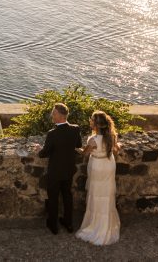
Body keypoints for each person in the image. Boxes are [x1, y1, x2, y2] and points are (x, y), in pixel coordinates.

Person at [76, 110, 121, 245]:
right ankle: (107, 224)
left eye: (91, 120)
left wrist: (75, 148)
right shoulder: (111, 136)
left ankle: (95, 225)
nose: (90, 122)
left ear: (95, 124)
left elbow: (84, 153)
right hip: (108, 164)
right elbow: (117, 149)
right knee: (107, 193)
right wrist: (120, 145)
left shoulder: (93, 139)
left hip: (97, 165)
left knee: (96, 193)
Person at [36, 102, 82, 234]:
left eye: (54, 113)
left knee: (53, 197)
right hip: (68, 170)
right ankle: (68, 224)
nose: (52, 115)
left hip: (55, 172)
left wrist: (40, 149)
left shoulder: (52, 133)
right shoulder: (75, 129)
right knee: (67, 196)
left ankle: (53, 225)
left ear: (61, 116)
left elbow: (44, 154)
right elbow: (78, 144)